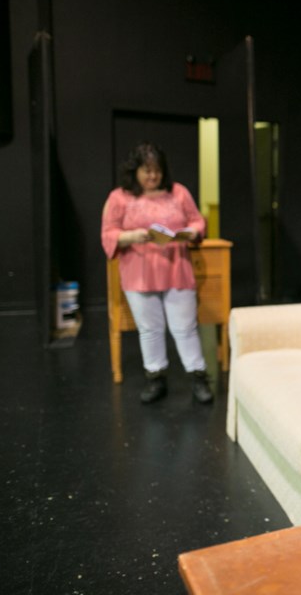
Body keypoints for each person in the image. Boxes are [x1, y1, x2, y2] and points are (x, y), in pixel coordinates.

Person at [101, 142, 213, 405]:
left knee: (185, 327)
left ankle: (198, 377)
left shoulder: (178, 193)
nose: (153, 176)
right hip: (139, 272)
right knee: (150, 329)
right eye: (146, 171)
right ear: (135, 171)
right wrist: (132, 235)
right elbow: (108, 232)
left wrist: (194, 231)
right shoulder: (120, 197)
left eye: (157, 170)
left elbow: (196, 220)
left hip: (176, 267)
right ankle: (156, 378)